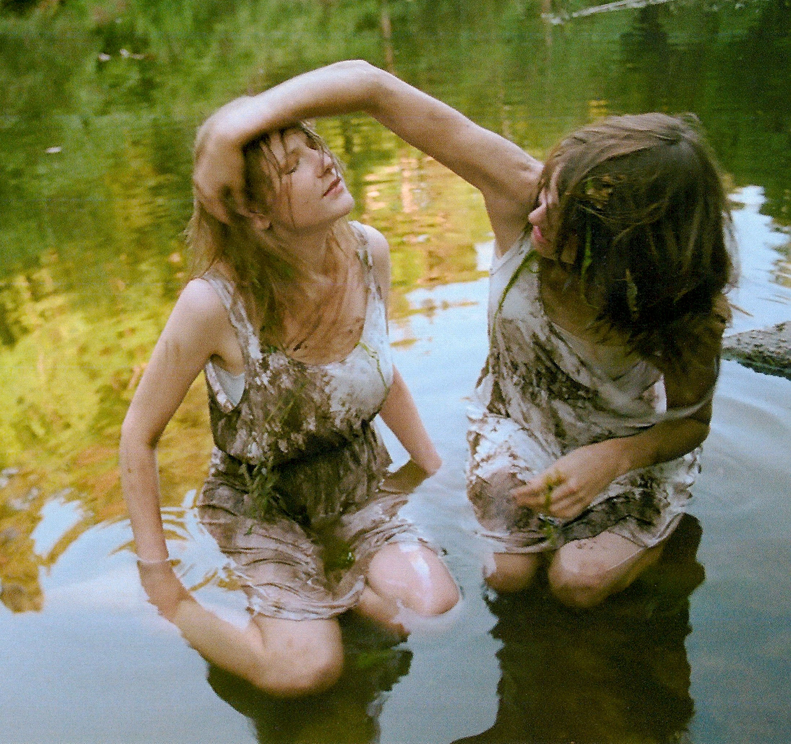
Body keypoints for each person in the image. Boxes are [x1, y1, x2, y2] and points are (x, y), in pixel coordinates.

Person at [193, 60, 733, 610]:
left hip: (627, 448)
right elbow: (372, 88)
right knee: (507, 577)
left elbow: (691, 424)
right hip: (518, 426)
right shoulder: (524, 192)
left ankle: (657, 565)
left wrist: (612, 460)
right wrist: (229, 130)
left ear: (627, 247)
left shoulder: (682, 303)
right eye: (549, 189)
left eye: (563, 214)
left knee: (578, 582)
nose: (537, 212)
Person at [120, 120, 460, 698]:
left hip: (356, 482)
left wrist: (428, 464)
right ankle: (191, 615)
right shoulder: (213, 303)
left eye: (315, 148)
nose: (326, 162)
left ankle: (332, 583)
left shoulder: (368, 252)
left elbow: (376, 364)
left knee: (433, 613)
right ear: (255, 212)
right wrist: (160, 579)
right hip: (261, 505)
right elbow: (138, 434)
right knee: (305, 671)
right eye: (293, 166)